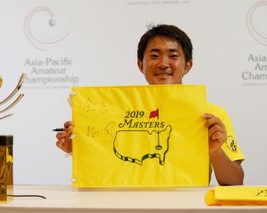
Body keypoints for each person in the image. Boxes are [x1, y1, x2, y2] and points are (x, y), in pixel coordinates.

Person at [55, 24, 244, 186]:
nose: (163, 63)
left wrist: (215, 151)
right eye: (154, 55)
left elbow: (236, 182)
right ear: (140, 65)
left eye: (173, 55)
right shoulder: (114, 111)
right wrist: (79, 148)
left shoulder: (211, 115)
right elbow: (111, 166)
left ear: (187, 65)